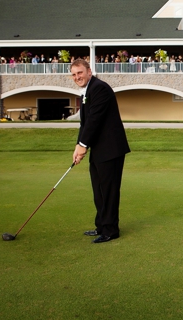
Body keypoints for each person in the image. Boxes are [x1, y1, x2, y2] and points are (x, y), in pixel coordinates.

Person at [70, 59, 130, 243]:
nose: (77, 77)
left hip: (110, 149)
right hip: (99, 150)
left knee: (108, 191)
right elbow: (85, 123)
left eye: (80, 73)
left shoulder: (100, 88)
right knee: (99, 190)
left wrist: (83, 144)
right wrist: (78, 145)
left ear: (89, 71)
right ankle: (101, 226)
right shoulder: (87, 91)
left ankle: (111, 230)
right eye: (73, 74)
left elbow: (95, 120)